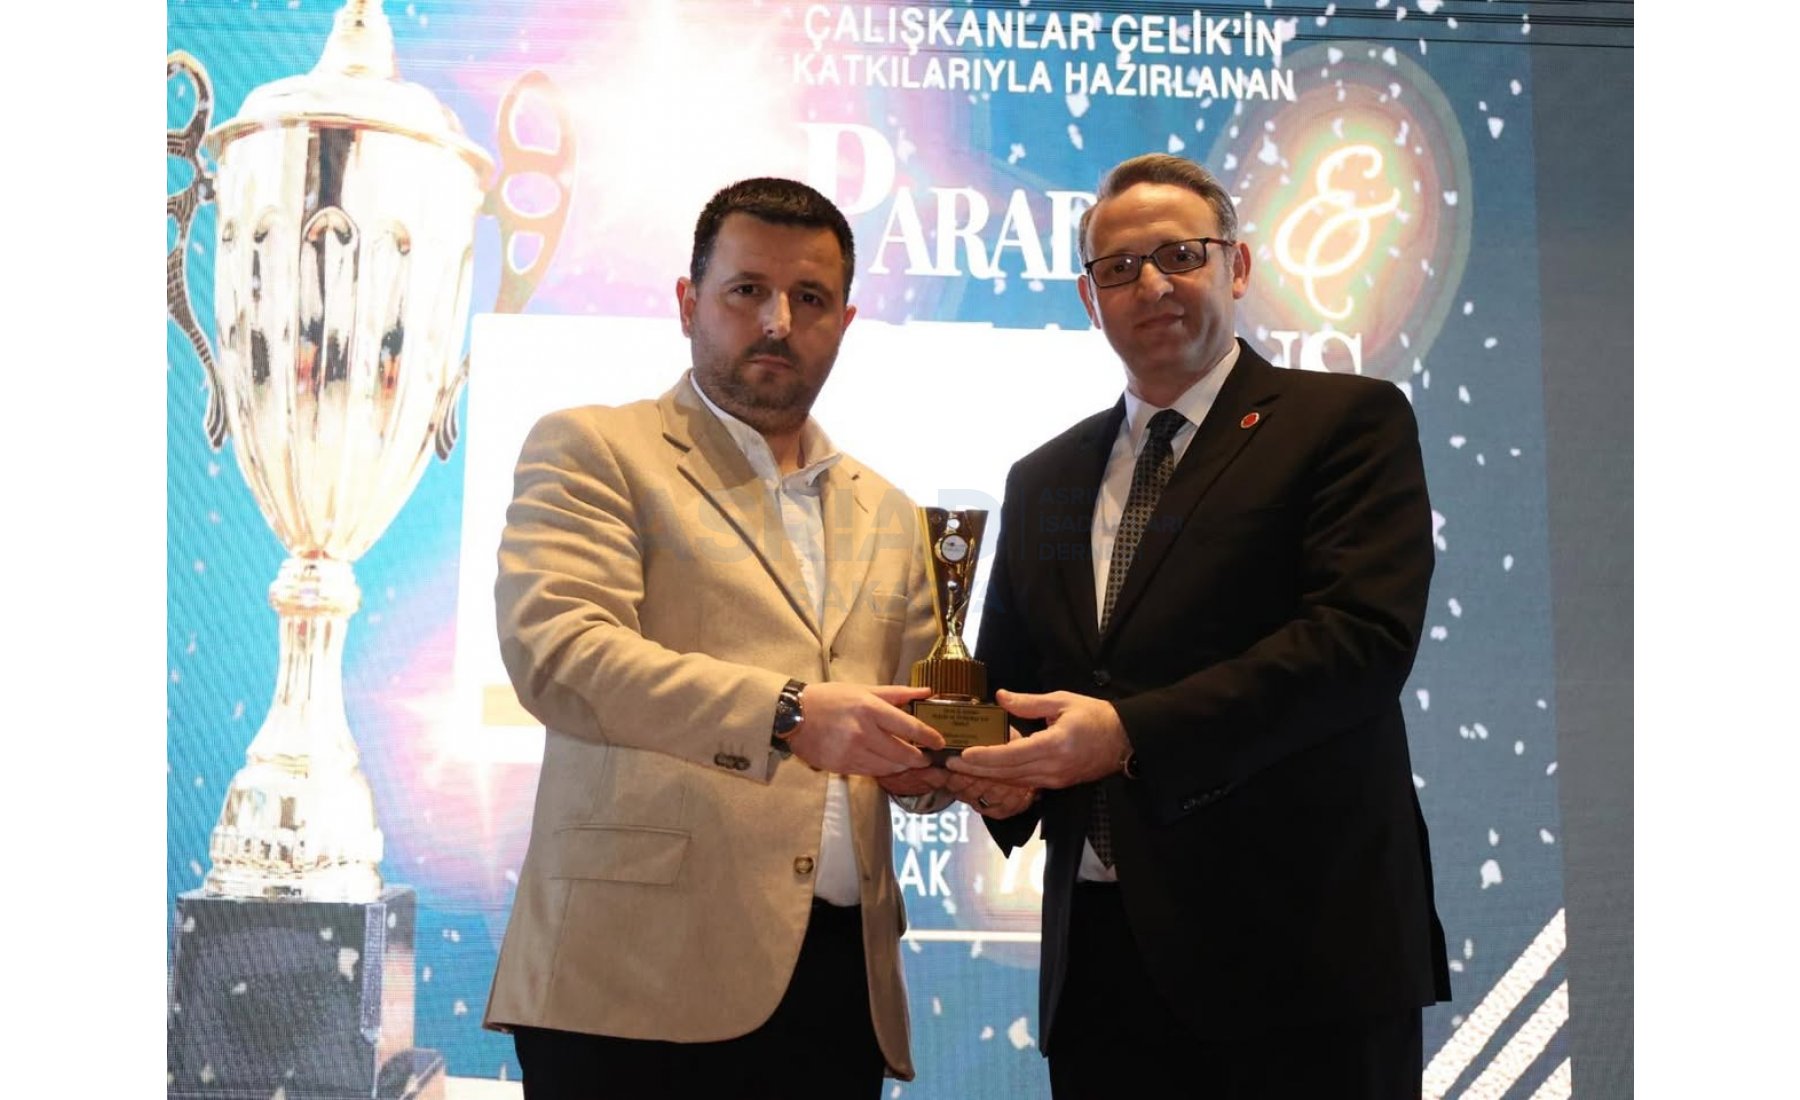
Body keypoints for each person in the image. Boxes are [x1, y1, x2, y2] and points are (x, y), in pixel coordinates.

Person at [481, 176, 1029, 1099]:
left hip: (837, 985)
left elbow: (909, 722)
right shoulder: (595, 448)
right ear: (688, 302)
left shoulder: (890, 511)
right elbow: (561, 652)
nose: (778, 321)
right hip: (631, 979)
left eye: (809, 298)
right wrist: (789, 713)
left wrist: (967, 771)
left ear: (844, 322)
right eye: (747, 290)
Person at [947, 153, 1452, 1097]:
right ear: (1089, 299)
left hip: (1303, 963)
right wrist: (981, 773)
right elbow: (1014, 684)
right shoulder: (1044, 477)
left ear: (1238, 266)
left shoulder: (1346, 422)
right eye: (1118, 268)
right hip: (1102, 971)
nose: (1151, 285)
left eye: (1180, 254)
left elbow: (1357, 643)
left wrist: (1128, 733)